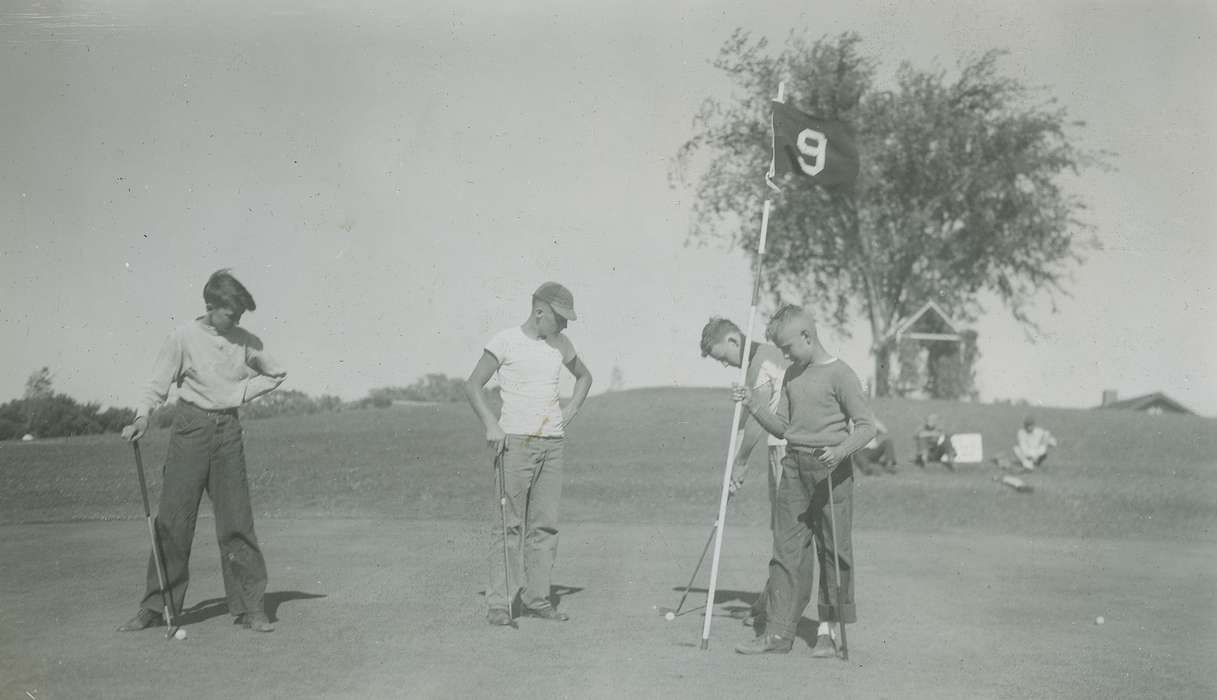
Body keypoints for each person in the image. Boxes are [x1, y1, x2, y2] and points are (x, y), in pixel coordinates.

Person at [117, 269, 286, 634]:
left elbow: (276, 373)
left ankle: (251, 606)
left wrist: (239, 394)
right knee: (174, 521)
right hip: (189, 430)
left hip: (227, 431)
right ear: (211, 306)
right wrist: (141, 417)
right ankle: (156, 605)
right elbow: (157, 382)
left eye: (241, 315)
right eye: (231, 313)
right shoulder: (183, 337)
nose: (237, 320)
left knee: (237, 522)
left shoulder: (245, 340)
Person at [732, 305, 875, 657]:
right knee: (787, 550)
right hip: (793, 466)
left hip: (831, 471)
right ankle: (778, 633)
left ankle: (828, 632)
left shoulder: (841, 374)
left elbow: (867, 426)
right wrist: (753, 404)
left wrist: (841, 451)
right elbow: (784, 428)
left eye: (787, 348)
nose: (783, 355)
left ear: (807, 337)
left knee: (833, 549)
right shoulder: (792, 374)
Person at [464, 282, 593, 627]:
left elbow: (584, 377)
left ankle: (537, 600)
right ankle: (500, 604)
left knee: (544, 527)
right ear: (539, 312)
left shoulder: (561, 345)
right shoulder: (505, 341)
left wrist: (569, 413)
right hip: (515, 445)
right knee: (510, 526)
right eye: (560, 319)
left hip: (552, 445)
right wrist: (491, 424)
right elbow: (473, 384)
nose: (565, 326)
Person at [699, 317, 812, 630]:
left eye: (723, 357)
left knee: (787, 533)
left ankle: (776, 607)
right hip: (787, 446)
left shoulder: (761, 362)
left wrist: (742, 462)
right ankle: (769, 600)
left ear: (735, 340)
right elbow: (746, 417)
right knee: (785, 530)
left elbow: (757, 419)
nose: (725, 365)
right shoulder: (765, 358)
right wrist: (733, 461)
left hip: (785, 449)